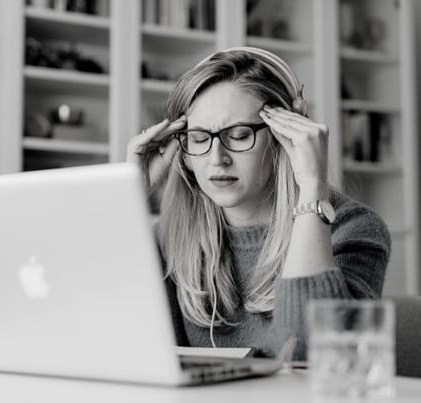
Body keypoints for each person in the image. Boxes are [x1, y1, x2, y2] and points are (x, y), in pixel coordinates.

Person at [126, 47, 391, 360]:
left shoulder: (353, 229)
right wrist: (128, 195)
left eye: (238, 136)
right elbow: (123, 344)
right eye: (198, 139)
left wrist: (311, 189)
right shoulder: (168, 239)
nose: (217, 159)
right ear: (182, 151)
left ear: (284, 136)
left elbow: (314, 358)